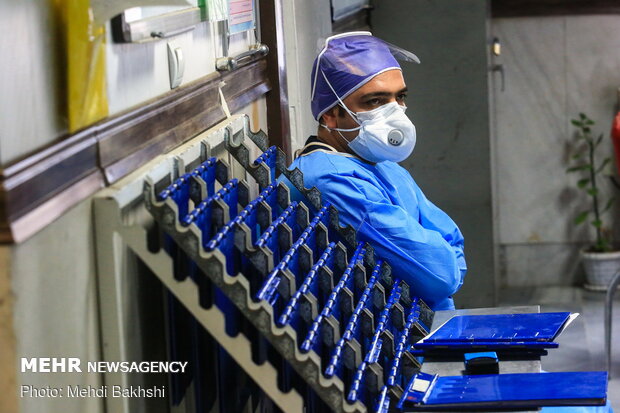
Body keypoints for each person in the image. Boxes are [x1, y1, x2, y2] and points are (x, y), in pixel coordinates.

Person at [285, 31, 466, 311]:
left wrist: (444, 264)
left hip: (427, 323)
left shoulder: (382, 165)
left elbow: (453, 247)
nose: (395, 112)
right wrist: (442, 262)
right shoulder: (330, 179)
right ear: (330, 115)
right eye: (375, 101)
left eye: (400, 97)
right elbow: (440, 276)